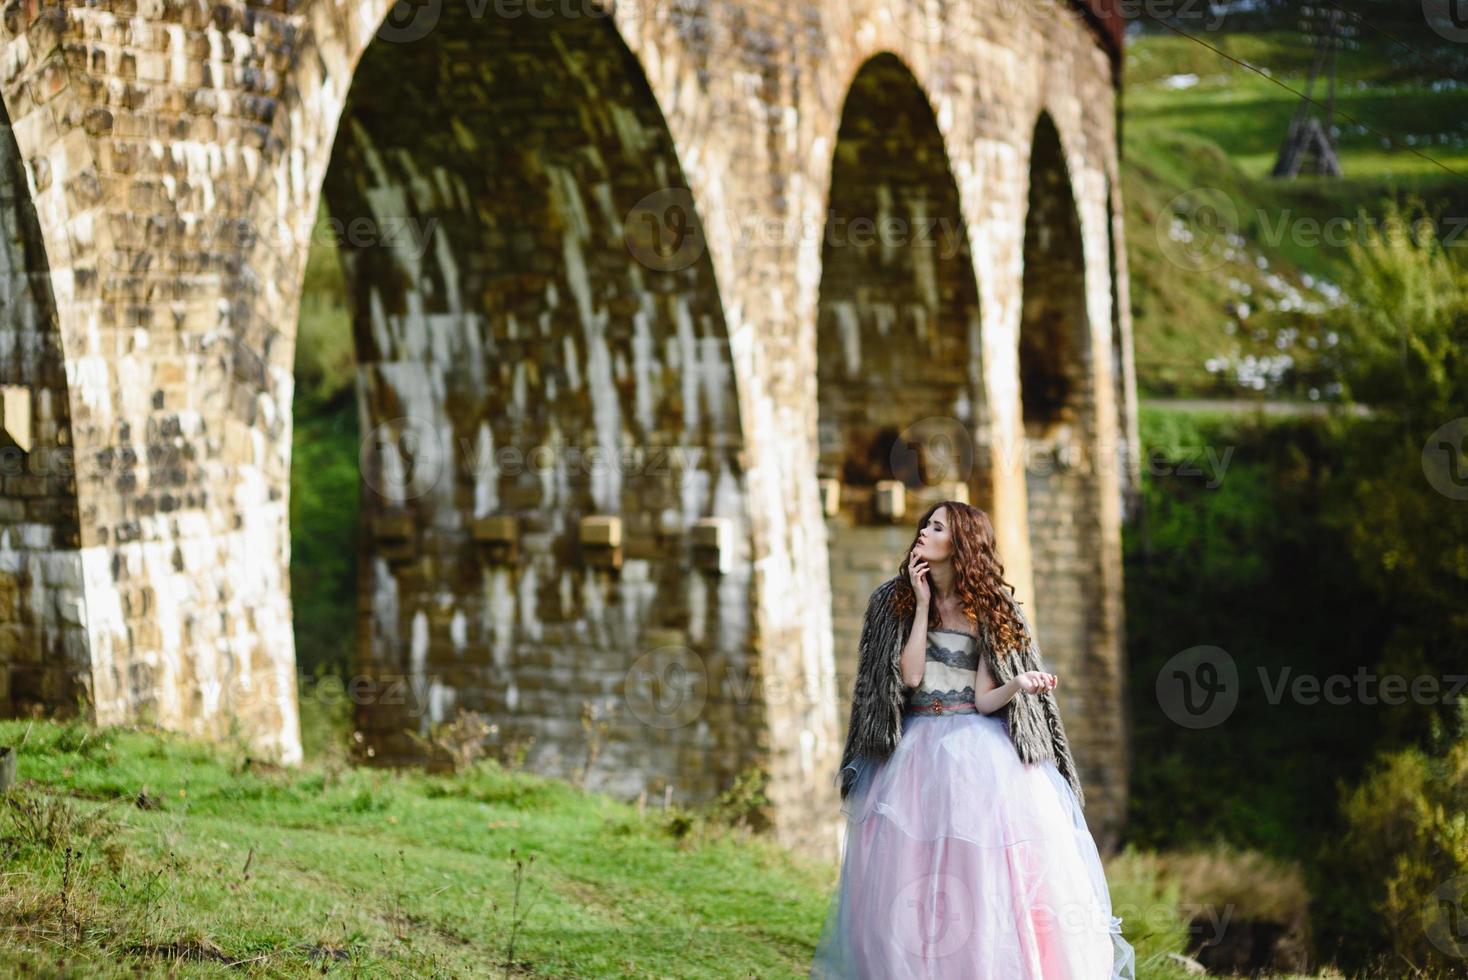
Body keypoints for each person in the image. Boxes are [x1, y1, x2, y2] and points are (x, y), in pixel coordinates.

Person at [809, 500, 1137, 979]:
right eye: (927, 523)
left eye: (937, 526)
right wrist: (921, 606)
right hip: (914, 748)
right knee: (906, 867)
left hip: (975, 749)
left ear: (958, 543)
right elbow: (910, 676)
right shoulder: (895, 601)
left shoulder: (991, 610)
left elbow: (986, 701)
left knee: (977, 867)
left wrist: (1019, 686)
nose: (924, 530)